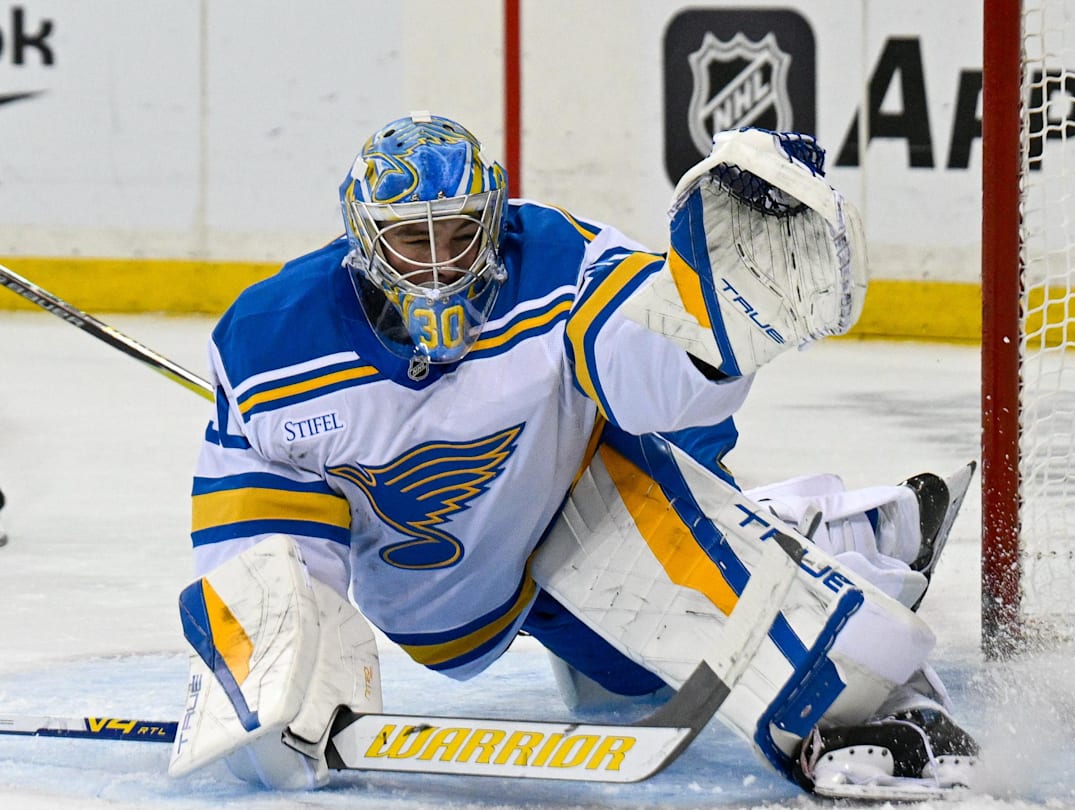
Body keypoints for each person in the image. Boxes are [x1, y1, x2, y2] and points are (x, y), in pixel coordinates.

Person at [167, 112, 978, 798]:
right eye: (414, 240)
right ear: (364, 243)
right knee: (631, 688)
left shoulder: (549, 257)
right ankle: (835, 533)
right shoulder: (269, 346)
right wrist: (276, 681)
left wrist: (717, 322)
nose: (442, 262)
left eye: (458, 232)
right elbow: (265, 545)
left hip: (575, 504)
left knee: (668, 540)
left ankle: (860, 697)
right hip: (454, 605)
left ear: (492, 220)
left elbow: (650, 364)